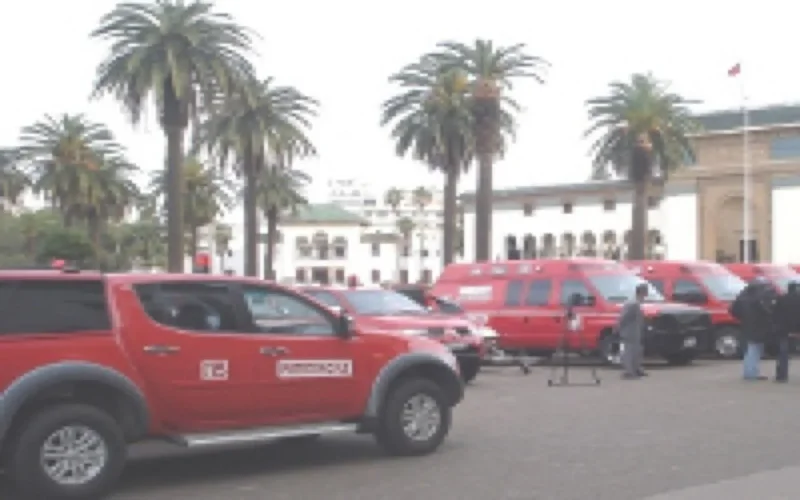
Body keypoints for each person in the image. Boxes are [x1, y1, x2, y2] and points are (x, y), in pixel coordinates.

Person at [730, 277, 775, 381]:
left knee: (751, 348)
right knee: (754, 349)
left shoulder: (743, 296)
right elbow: (766, 311)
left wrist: (742, 318)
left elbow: (733, 310)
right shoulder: (760, 297)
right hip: (758, 325)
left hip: (747, 324)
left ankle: (751, 372)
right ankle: (751, 373)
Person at [616, 282, 648, 379]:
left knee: (636, 351)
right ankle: (629, 372)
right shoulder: (632, 303)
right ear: (641, 292)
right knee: (629, 352)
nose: (647, 294)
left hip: (635, 331)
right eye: (645, 291)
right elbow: (624, 318)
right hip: (630, 332)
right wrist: (619, 327)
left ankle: (636, 369)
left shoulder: (636, 302)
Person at [773, 281, 800, 382]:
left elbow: (775, 314)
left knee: (783, 353)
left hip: (783, 329)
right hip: (798, 329)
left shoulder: (781, 299)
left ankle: (781, 376)